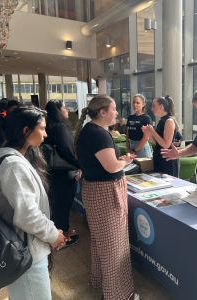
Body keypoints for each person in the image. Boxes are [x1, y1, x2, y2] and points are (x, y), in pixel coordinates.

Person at [0, 106, 66, 299]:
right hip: (25, 251)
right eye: (42, 128)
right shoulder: (13, 166)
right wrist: (54, 235)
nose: (45, 134)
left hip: (13, 246)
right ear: (26, 131)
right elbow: (28, 215)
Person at [76, 95, 136, 300]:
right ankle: (117, 294)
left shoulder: (88, 131)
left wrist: (118, 161)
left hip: (94, 191)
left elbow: (102, 162)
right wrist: (125, 162)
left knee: (101, 242)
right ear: (102, 112)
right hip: (106, 193)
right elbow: (111, 167)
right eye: (114, 108)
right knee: (114, 246)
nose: (117, 112)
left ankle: (100, 282)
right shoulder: (100, 134)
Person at [44, 100, 80, 247]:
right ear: (58, 110)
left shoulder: (48, 126)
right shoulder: (61, 127)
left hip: (52, 171)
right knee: (63, 205)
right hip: (64, 172)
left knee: (57, 204)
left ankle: (58, 232)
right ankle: (63, 236)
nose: (67, 110)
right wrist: (80, 165)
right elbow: (68, 152)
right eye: (65, 107)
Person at [142, 95, 179, 177]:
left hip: (167, 160)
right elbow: (157, 143)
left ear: (161, 107)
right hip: (159, 158)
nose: (152, 109)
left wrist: (152, 131)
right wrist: (148, 134)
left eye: (154, 106)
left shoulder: (169, 121)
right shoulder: (161, 121)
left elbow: (166, 145)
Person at [126, 94, 153, 158]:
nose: (135, 105)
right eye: (133, 102)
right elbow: (127, 134)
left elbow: (146, 138)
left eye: (138, 103)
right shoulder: (130, 117)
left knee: (143, 167)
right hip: (131, 146)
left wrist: (134, 150)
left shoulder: (146, 118)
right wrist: (128, 148)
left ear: (143, 104)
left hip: (142, 147)